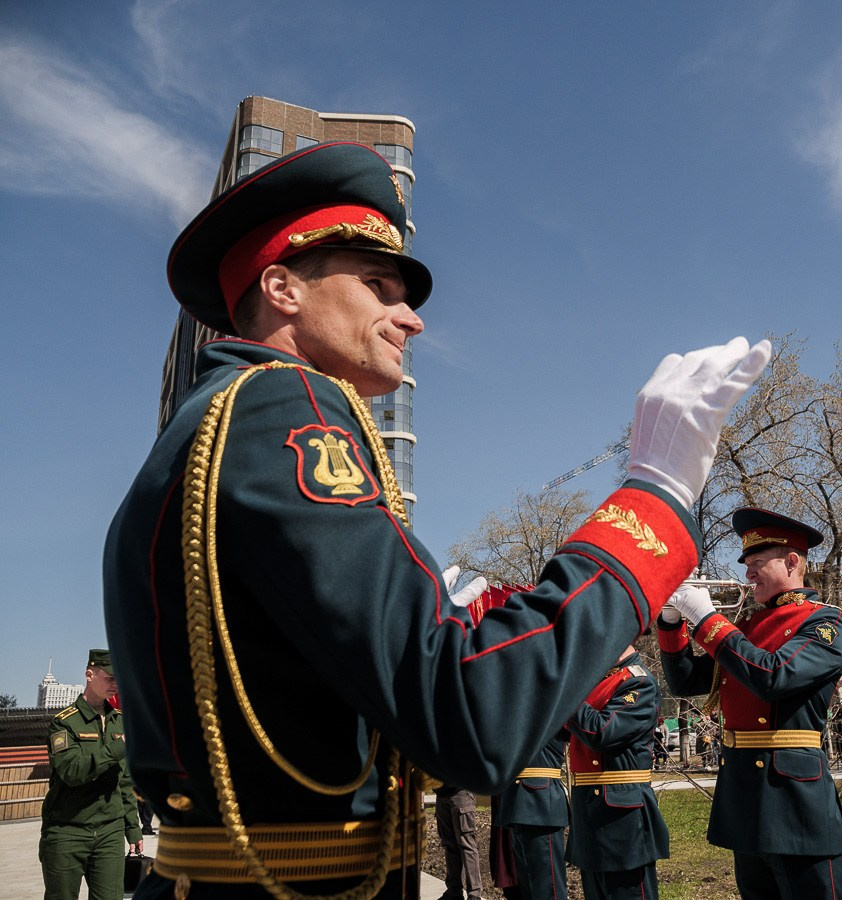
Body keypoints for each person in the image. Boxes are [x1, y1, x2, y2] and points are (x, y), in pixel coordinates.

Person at [101, 140, 771, 898]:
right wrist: (654, 495)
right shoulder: (284, 405)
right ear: (282, 287)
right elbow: (473, 713)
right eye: (378, 285)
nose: (411, 320)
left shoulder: (214, 422)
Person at [658, 508, 842, 899]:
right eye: (746, 565)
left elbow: (773, 676)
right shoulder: (746, 628)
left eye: (757, 563)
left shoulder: (825, 622)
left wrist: (707, 619)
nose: (748, 574)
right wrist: (671, 622)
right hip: (744, 793)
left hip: (794, 799)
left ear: (792, 561)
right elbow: (686, 681)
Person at [566, 645, 668, 899]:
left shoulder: (638, 682)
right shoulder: (597, 680)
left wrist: (565, 690)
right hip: (588, 812)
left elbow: (601, 733)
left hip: (621, 817)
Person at [39, 650, 142, 900]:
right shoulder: (64, 723)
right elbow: (72, 772)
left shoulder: (120, 722)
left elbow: (124, 781)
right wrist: (117, 747)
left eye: (118, 679)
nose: (115, 685)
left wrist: (133, 827)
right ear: (89, 675)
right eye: (109, 678)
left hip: (110, 831)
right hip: (68, 830)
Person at [493, 731, 569, 900]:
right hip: (517, 800)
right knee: (528, 887)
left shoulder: (547, 715)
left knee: (547, 887)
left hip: (540, 803)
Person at [433, 783, 483, 900]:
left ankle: (474, 894)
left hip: (461, 792)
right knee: (449, 845)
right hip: (441, 793)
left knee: (467, 846)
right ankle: (454, 892)